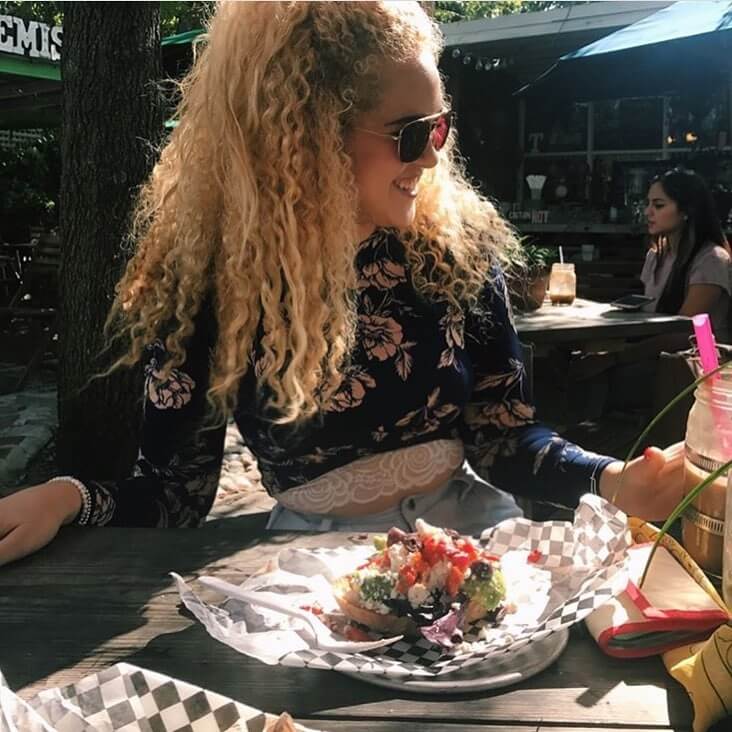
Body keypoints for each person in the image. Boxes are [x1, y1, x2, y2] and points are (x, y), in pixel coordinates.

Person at [0, 1, 685, 568]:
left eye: (439, 128)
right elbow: (174, 496)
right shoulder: (213, 282)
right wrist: (66, 498)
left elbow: (503, 435)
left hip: (470, 542)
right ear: (309, 136)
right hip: (312, 573)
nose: (432, 158)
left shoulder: (456, 251)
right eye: (411, 134)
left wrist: (613, 479)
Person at [641, 167, 732, 340]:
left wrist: (626, 352)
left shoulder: (711, 259)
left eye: (658, 205)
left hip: (702, 353)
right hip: (655, 346)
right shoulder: (655, 256)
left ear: (686, 210)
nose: (648, 212)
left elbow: (684, 329)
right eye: (648, 203)